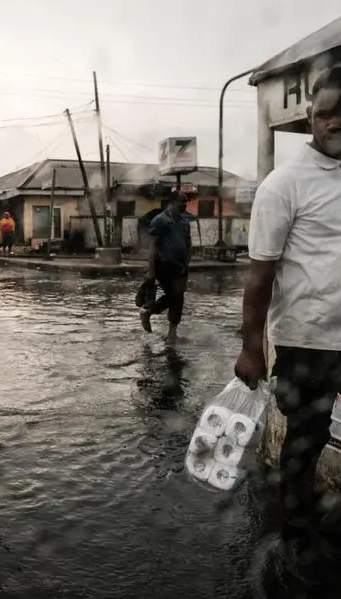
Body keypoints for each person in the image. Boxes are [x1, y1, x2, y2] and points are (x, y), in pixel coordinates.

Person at [235, 66, 341, 589]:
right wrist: (251, 350)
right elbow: (259, 279)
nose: (335, 121)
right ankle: (297, 540)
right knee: (304, 443)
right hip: (305, 342)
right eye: (326, 113)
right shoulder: (285, 185)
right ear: (310, 118)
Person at [140, 191, 191, 344]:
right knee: (175, 295)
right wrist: (151, 270)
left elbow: (189, 244)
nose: (184, 205)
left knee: (178, 298)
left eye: (185, 202)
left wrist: (186, 263)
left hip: (180, 266)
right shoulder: (160, 220)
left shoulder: (184, 222)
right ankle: (149, 312)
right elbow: (153, 246)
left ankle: (171, 333)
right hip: (164, 264)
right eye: (181, 202)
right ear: (172, 202)